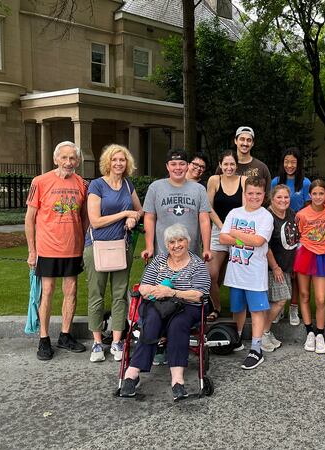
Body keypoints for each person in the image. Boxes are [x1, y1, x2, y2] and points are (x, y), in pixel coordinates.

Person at [119, 224, 211, 401]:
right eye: (172, 242)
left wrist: (172, 292)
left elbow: (199, 294)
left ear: (188, 242)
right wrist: (158, 291)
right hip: (159, 304)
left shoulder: (197, 265)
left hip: (187, 306)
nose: (176, 245)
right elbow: (143, 287)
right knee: (152, 320)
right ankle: (132, 373)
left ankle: (177, 381)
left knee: (178, 324)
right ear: (166, 245)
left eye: (180, 240)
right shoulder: (159, 261)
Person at [25, 141, 89, 360]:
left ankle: (65, 335)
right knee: (48, 292)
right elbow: (29, 219)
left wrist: (82, 244)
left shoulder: (82, 184)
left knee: (71, 292)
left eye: (72, 158)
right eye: (64, 158)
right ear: (55, 159)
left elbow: (85, 218)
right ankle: (44, 340)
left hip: (72, 248)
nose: (68, 162)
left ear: (78, 161)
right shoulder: (40, 182)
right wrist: (32, 251)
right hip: (47, 248)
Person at [84, 144, 143, 363]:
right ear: (107, 162)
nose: (119, 163)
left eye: (123, 160)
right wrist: (124, 213)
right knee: (96, 294)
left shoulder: (128, 184)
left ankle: (117, 341)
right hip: (97, 246)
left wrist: (133, 217)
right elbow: (95, 221)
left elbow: (140, 210)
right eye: (115, 159)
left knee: (120, 294)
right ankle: (97, 343)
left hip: (122, 246)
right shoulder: (97, 185)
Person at [219, 176, 274, 370]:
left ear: (264, 195)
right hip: (236, 272)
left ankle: (256, 349)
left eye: (258, 194)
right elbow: (223, 238)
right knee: (238, 309)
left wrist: (235, 233)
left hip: (254, 274)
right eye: (250, 193)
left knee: (257, 310)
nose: (254, 197)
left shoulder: (265, 216)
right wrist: (244, 239)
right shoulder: (235, 212)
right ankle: (237, 338)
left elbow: (259, 242)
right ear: (245, 193)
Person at [141, 149, 211, 261]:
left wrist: (206, 248)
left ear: (187, 166)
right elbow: (149, 218)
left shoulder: (199, 189)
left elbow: (204, 220)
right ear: (167, 167)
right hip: (163, 254)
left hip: (192, 254)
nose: (178, 168)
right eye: (173, 164)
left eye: (182, 164)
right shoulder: (155, 188)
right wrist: (149, 247)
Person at [271, 147, 311, 326]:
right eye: (286, 162)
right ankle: (279, 308)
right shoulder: (276, 181)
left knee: (296, 273)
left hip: (299, 231)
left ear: (299, 163)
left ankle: (293, 308)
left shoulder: (305, 182)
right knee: (280, 268)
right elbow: (272, 204)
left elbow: (309, 208)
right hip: (279, 231)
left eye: (293, 162)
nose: (289, 165)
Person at [205, 150, 246, 321]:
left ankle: (243, 308)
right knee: (211, 274)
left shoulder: (244, 180)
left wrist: (233, 230)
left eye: (232, 164)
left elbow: (245, 209)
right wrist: (223, 227)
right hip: (218, 230)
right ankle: (216, 307)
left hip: (239, 231)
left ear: (237, 165)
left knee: (240, 273)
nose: (229, 167)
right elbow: (208, 207)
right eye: (226, 164)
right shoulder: (214, 180)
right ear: (220, 165)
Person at [294, 180, 325, 354]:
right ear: (309, 195)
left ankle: (320, 334)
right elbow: (298, 235)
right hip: (306, 254)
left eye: (321, 193)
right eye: (314, 194)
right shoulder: (302, 214)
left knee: (321, 298)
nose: (318, 197)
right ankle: (309, 331)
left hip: (323, 255)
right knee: (304, 294)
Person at [262, 184, 299, 352]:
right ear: (272, 198)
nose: (283, 200)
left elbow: (293, 240)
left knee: (275, 301)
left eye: (286, 197)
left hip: (286, 266)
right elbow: (266, 246)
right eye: (279, 197)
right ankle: (263, 333)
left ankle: (265, 332)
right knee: (280, 300)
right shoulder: (267, 216)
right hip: (272, 267)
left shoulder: (291, 214)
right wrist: (275, 267)